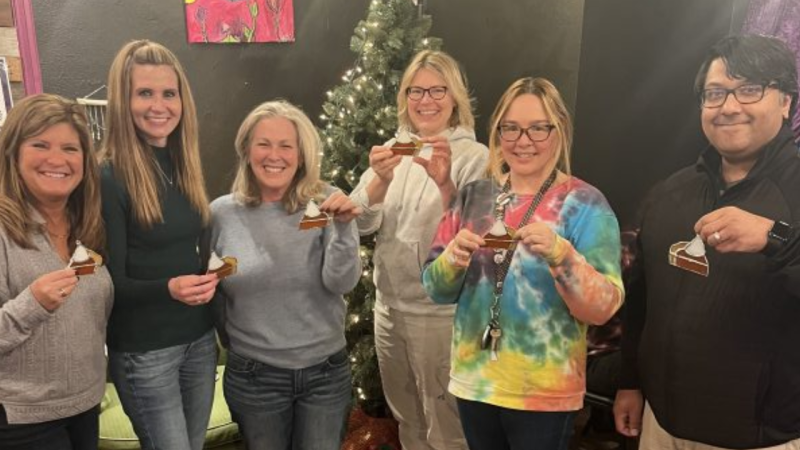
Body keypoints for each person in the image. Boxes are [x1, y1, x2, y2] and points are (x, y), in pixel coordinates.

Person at [614, 35, 800, 449]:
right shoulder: (671, 192)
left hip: (761, 436)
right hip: (662, 425)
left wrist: (775, 238)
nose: (729, 107)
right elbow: (641, 300)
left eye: (749, 89)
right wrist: (630, 381)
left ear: (786, 101)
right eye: (715, 93)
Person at [421, 77, 624, 450]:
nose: (522, 140)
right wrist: (453, 259)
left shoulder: (585, 204)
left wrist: (561, 254)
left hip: (543, 393)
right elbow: (435, 289)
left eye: (537, 128)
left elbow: (602, 308)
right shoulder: (474, 196)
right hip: (475, 383)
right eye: (511, 128)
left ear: (559, 131)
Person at [349, 49, 488, 450]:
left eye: (437, 90)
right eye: (416, 91)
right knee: (407, 419)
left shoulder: (474, 158)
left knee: (447, 429)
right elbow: (358, 224)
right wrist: (379, 180)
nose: (426, 100)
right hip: (390, 309)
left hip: (441, 315)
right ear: (405, 97)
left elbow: (475, 237)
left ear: (455, 97)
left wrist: (445, 184)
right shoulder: (392, 151)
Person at [207, 100, 361, 450]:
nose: (274, 156)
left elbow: (342, 283)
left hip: (325, 374)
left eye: (286, 146)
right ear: (247, 150)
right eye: (263, 144)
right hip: (254, 377)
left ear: (301, 155)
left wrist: (343, 230)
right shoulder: (221, 214)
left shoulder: (328, 203)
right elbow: (213, 295)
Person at [100, 40, 219, 450]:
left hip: (200, 341)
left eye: (169, 93)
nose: (159, 106)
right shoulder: (108, 177)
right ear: (123, 101)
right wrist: (169, 288)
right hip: (145, 351)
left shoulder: (185, 165)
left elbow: (190, 251)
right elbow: (110, 284)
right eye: (144, 93)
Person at [0, 94, 113, 449]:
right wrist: (32, 304)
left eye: (70, 148)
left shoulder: (87, 227)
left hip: (85, 404)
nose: (57, 160)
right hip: (22, 419)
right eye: (40, 145)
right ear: (12, 153)